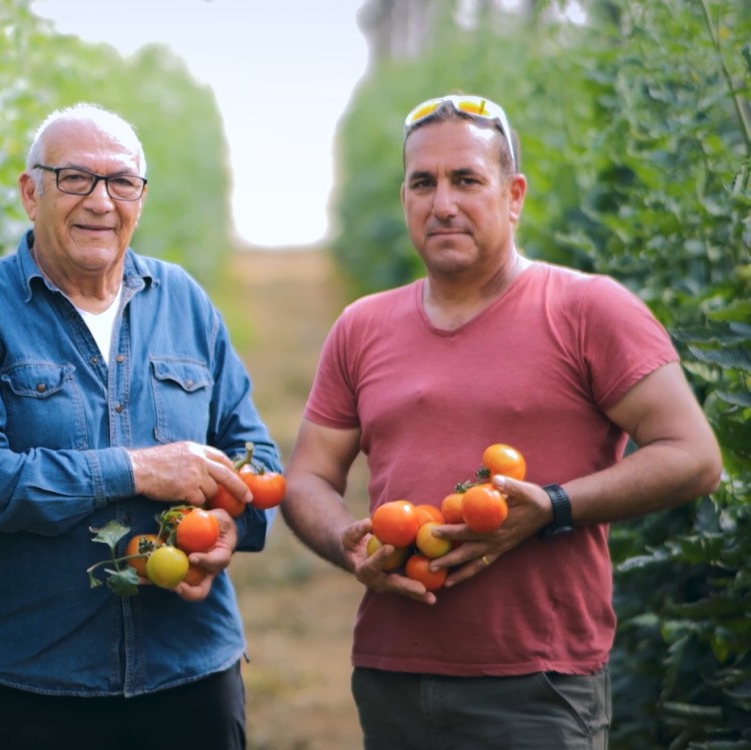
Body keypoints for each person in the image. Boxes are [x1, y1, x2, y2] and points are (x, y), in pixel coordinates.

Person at [280, 93, 724, 749]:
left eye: (466, 180)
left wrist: (553, 505)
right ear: (404, 198)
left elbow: (694, 455)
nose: (443, 204)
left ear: (513, 195)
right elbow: (308, 477)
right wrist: (348, 543)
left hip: (538, 686)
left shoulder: (587, 310)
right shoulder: (362, 327)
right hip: (391, 675)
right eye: (423, 183)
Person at [0, 103, 281, 750]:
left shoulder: (184, 300)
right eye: (75, 178)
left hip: (189, 670)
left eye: (121, 182)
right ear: (32, 193)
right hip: (33, 683)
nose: (100, 201)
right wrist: (136, 469)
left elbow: (258, 456)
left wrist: (231, 525)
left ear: (140, 196)